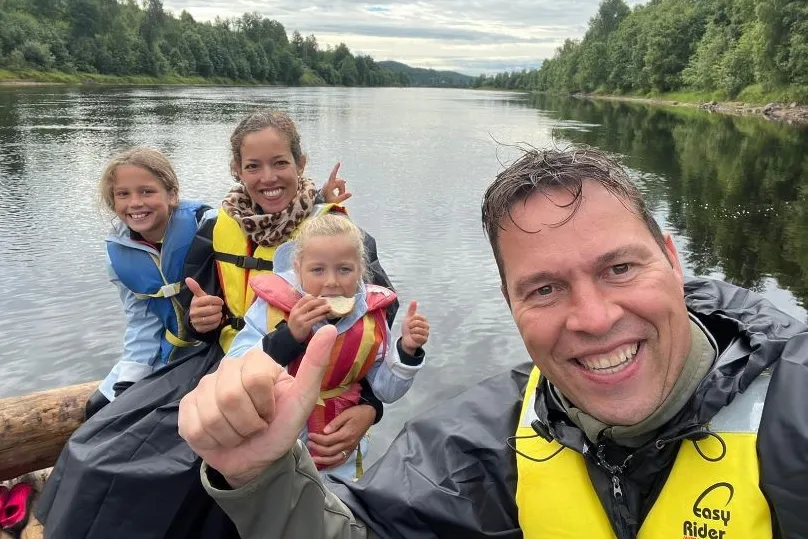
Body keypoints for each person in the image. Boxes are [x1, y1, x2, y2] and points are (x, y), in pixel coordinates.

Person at [177, 146, 808, 538]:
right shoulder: (477, 444)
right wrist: (263, 477)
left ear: (673, 260)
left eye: (619, 268)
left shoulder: (795, 413)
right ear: (510, 306)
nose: (591, 317)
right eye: (543, 290)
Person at [179, 108, 399, 472]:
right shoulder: (213, 231)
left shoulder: (337, 235)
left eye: (280, 163)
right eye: (253, 166)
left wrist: (370, 409)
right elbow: (196, 327)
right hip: (230, 371)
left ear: (301, 163)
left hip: (325, 388)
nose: (268, 178)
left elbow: (379, 333)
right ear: (237, 168)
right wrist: (199, 322)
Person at [225, 212, 429, 480]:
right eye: (318, 270)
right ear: (298, 269)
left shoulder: (372, 317)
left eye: (344, 269)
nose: (331, 282)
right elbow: (235, 368)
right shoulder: (270, 310)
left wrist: (407, 351)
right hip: (276, 448)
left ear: (360, 270)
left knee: (339, 515)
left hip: (339, 455)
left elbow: (385, 390)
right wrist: (289, 336)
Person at [86, 147, 210, 418]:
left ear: (172, 194)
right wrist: (129, 379)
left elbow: (258, 226)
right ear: (113, 201)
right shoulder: (118, 254)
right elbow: (141, 321)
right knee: (98, 409)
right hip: (166, 353)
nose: (135, 203)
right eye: (123, 194)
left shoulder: (207, 226)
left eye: (146, 191)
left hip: (211, 350)